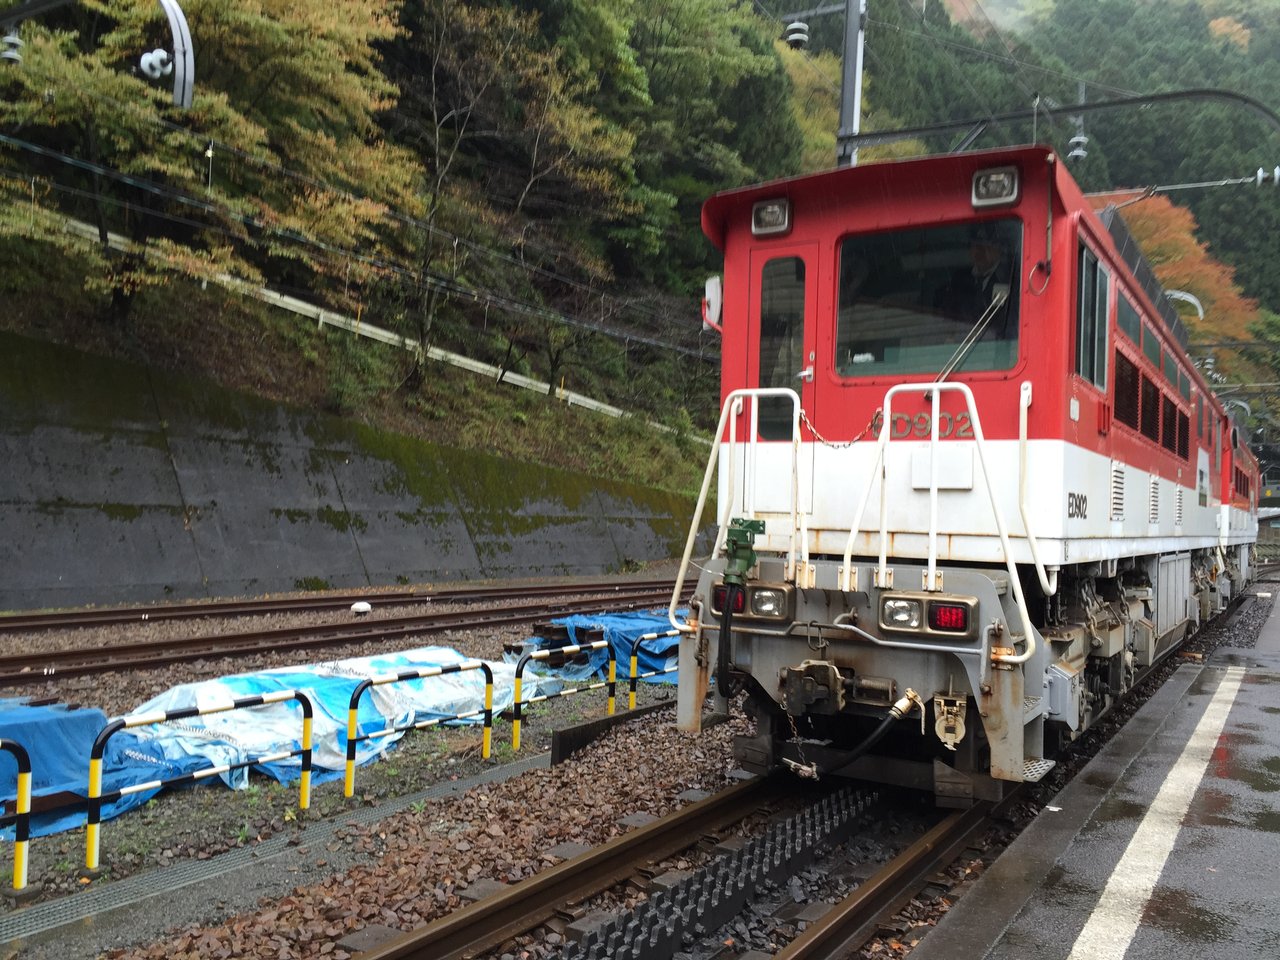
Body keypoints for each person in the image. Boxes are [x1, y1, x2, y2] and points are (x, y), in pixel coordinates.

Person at [937, 222, 1017, 336]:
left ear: (999, 249)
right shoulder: (958, 281)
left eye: (986, 245)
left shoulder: (1011, 278)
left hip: (998, 346)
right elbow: (948, 319)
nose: (979, 251)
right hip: (963, 348)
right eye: (975, 245)